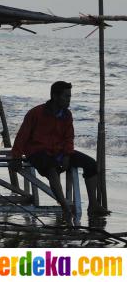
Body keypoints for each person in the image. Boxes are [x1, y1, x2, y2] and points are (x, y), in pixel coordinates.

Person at [10, 81, 110, 223]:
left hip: (59, 151)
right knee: (51, 168)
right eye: (66, 96)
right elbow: (22, 136)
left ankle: (93, 204)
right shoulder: (36, 113)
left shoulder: (67, 115)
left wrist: (68, 154)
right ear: (55, 96)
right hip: (37, 151)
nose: (69, 100)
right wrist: (16, 157)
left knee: (91, 164)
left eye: (69, 96)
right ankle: (65, 206)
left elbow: (69, 137)